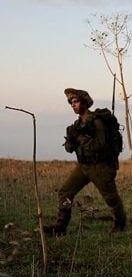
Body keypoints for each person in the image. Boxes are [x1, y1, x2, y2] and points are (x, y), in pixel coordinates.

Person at [43, 88, 126, 236]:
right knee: (65, 191)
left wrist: (79, 137)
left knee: (111, 198)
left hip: (100, 166)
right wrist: (70, 138)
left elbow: (99, 146)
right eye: (71, 103)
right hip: (83, 166)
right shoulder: (77, 125)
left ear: (85, 102)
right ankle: (60, 226)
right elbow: (69, 149)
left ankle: (120, 225)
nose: (73, 105)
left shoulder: (97, 121)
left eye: (76, 101)